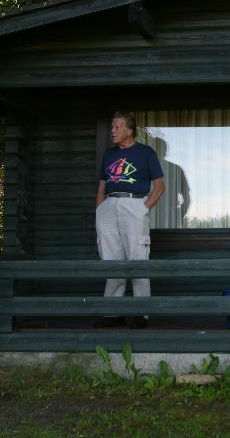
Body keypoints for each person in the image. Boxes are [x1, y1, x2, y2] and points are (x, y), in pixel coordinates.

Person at [95, 111, 165, 329]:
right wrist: (100, 208)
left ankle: (141, 313)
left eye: (117, 127)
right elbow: (102, 186)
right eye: (112, 127)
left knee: (137, 259)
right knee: (111, 261)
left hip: (134, 204)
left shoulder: (145, 153)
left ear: (129, 130)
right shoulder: (109, 154)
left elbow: (159, 186)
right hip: (109, 206)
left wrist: (143, 209)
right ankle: (111, 313)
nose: (112, 130)